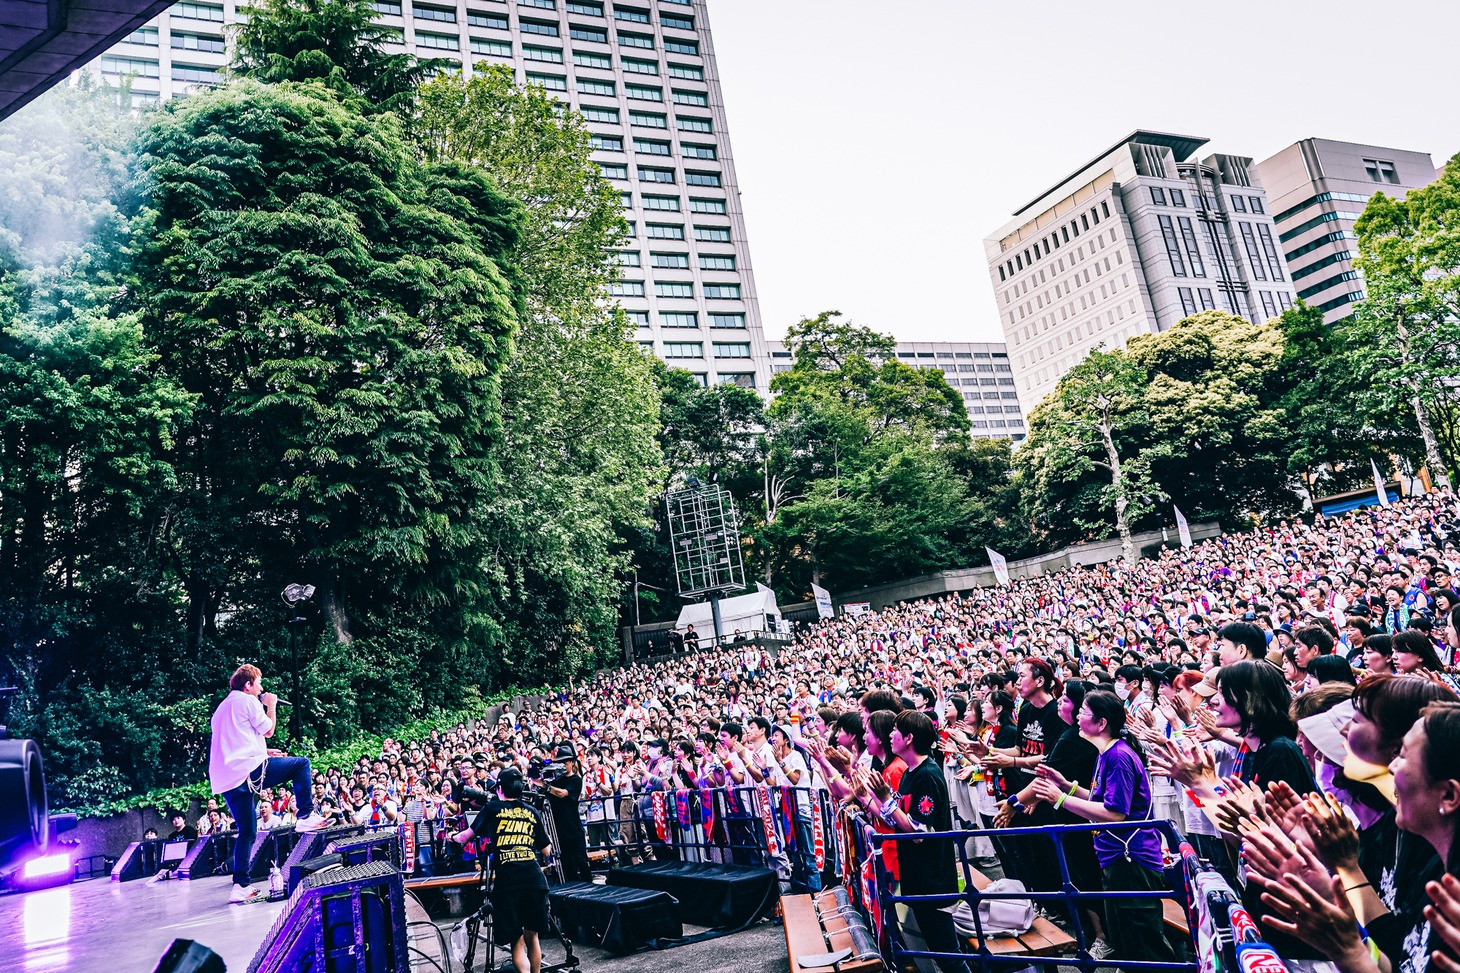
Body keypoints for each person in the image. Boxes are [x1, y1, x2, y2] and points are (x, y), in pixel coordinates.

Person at [1031, 689, 1176, 964]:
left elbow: (1115, 813)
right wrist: (1067, 786)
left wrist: (1061, 799)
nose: (1076, 717)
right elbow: (1101, 798)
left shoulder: (1119, 756)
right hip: (1115, 857)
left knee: (1143, 940)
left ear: (1101, 723)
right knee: (1124, 938)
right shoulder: (1106, 753)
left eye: (1083, 712)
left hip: (1131, 861)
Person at [209, 664, 325, 904]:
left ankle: (240, 886)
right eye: (259, 683)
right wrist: (270, 704)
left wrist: (263, 751)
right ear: (248, 684)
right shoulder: (248, 700)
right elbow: (269, 729)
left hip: (228, 779)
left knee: (247, 832)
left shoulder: (222, 709)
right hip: (247, 769)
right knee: (301, 765)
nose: (262, 688)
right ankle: (304, 817)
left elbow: (240, 740)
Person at [451, 768, 552, 973]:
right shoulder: (532, 811)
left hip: (509, 884)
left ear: (499, 789)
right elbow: (547, 850)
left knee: (516, 940)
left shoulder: (491, 809)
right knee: (533, 937)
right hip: (534, 879)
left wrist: (451, 836)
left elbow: (466, 837)